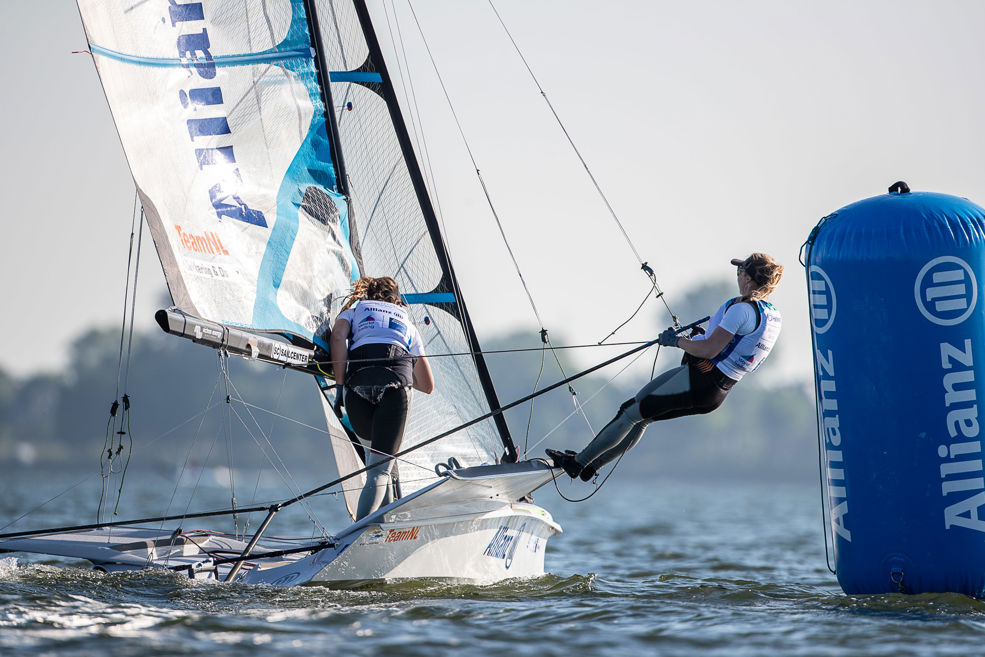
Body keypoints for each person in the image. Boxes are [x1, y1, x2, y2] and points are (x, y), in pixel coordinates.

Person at [547, 253, 783, 481]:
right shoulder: (771, 315)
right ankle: (591, 465)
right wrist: (698, 338)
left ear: (749, 278)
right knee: (639, 413)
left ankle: (578, 463)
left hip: (702, 380)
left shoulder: (741, 310)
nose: (738, 275)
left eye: (741, 271)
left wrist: (677, 342)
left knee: (630, 414)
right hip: (712, 386)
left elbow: (710, 351)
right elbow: (731, 346)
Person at [330, 276, 435, 520]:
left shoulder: (355, 311)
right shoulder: (407, 322)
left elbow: (337, 337)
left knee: (377, 468)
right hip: (395, 387)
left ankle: (382, 529)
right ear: (397, 300)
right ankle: (356, 536)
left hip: (356, 389)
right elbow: (428, 385)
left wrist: (339, 388)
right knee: (380, 472)